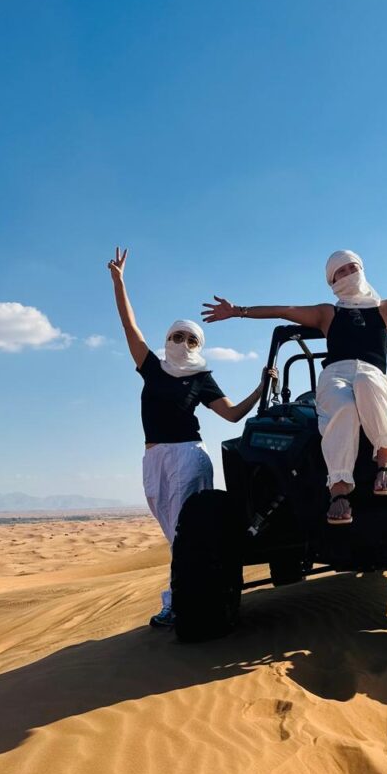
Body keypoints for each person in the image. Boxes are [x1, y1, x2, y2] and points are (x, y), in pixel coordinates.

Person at [202, 250, 387, 524]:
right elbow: (284, 311)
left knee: (368, 381)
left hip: (372, 374)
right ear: (332, 281)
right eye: (340, 272)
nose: (348, 274)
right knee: (342, 407)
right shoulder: (327, 314)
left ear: (363, 269)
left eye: (352, 267)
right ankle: (339, 490)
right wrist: (238, 310)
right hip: (335, 374)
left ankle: (386, 460)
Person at [108, 247, 275, 627]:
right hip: (154, 459)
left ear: (199, 345)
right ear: (168, 337)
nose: (183, 342)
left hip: (187, 457)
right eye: (178, 335)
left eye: (191, 339)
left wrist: (260, 386)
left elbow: (232, 414)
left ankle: (177, 603)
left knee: (186, 537)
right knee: (175, 535)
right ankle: (187, 595)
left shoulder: (201, 378)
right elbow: (128, 326)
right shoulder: (152, 367)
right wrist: (119, 282)